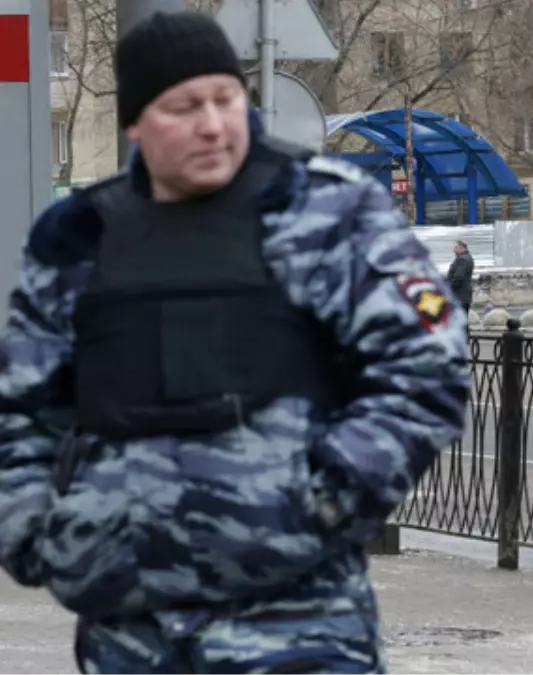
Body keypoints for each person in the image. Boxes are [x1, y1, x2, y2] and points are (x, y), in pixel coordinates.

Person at [0, 12, 470, 673]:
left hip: (299, 625)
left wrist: (326, 500)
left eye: (225, 98)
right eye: (183, 108)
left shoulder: (329, 213)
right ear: (135, 122)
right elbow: (20, 409)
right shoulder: (75, 237)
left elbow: (429, 369)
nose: (214, 125)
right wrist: (37, 536)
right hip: (132, 631)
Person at [447, 240, 475, 313]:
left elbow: (458, 277)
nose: (454, 251)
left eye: (456, 248)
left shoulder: (462, 259)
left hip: (460, 295)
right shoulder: (467, 258)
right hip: (463, 296)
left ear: (462, 248)